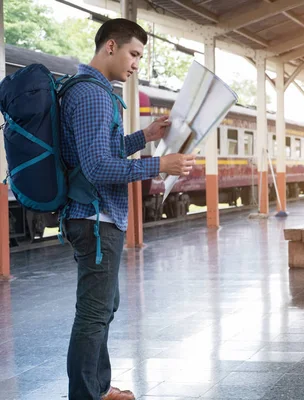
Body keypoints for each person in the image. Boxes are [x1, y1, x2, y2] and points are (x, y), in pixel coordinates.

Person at [60, 18, 195, 400]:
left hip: (96, 214)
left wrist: (144, 137)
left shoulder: (96, 91)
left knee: (104, 306)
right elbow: (98, 167)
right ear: (111, 47)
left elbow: (102, 150)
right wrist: (159, 165)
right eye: (134, 54)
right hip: (94, 216)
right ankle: (88, 395)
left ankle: (98, 388)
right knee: (92, 313)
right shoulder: (92, 94)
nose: (136, 64)